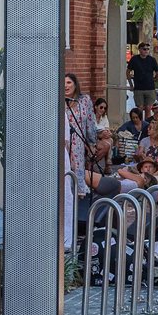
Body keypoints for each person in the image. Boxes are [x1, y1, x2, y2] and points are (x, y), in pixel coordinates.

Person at [62, 73, 97, 250]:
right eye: (64, 83)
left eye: (69, 82)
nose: (66, 85)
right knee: (65, 186)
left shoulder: (84, 101)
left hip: (78, 148)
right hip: (64, 149)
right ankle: (66, 229)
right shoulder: (58, 102)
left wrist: (92, 143)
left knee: (77, 187)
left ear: (75, 84)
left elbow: (90, 123)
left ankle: (74, 226)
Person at [127, 41, 158, 111]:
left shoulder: (152, 60)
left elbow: (157, 72)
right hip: (138, 88)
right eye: (144, 49)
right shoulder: (134, 59)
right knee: (139, 108)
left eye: (148, 49)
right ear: (139, 49)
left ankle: (147, 122)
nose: (146, 51)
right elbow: (128, 72)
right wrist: (131, 85)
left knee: (148, 108)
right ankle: (140, 122)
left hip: (150, 88)